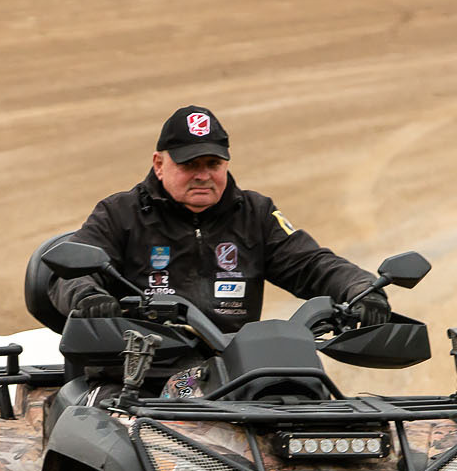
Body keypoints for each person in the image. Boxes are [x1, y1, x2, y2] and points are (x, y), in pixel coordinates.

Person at [47, 105, 388, 330]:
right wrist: (88, 298)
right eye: (189, 165)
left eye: (212, 164)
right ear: (158, 164)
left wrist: (360, 288)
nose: (202, 175)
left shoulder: (256, 214)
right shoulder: (119, 213)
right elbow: (67, 275)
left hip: (238, 370)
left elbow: (311, 264)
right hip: (139, 371)